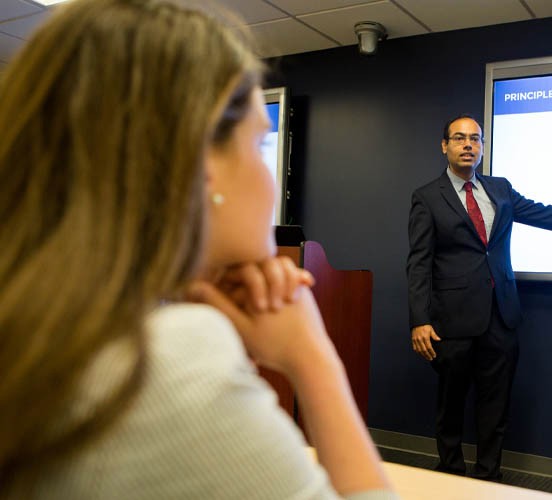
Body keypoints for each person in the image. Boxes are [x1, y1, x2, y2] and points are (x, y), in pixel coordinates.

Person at [0, 1, 395, 498]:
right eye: (258, 145)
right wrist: (312, 357)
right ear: (200, 165)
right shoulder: (167, 361)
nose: (268, 178)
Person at [406, 114, 552, 480]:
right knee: (450, 405)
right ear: (445, 146)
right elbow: (419, 262)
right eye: (459, 138)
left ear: (482, 147)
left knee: (496, 404)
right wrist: (419, 319)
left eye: (475, 139)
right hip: (452, 319)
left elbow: (544, 214)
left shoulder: (500, 189)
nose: (468, 145)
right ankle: (449, 474)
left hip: (501, 316)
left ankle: (488, 477)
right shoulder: (427, 197)